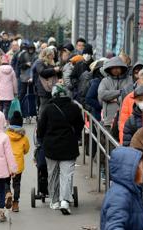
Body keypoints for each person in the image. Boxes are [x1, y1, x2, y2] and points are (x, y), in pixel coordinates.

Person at [37, 83, 84, 215]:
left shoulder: (47, 109)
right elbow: (80, 125)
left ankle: (54, 200)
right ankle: (65, 200)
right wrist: (75, 136)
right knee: (66, 174)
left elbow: (41, 128)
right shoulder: (74, 108)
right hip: (69, 146)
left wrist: (41, 139)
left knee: (53, 174)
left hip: (51, 146)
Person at [100, 146, 143, 230]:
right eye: (140, 168)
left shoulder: (130, 191)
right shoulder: (120, 196)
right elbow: (113, 226)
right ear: (131, 171)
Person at [98, 56, 133, 130]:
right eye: (113, 68)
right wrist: (120, 92)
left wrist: (112, 98)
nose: (115, 70)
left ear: (122, 68)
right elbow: (102, 94)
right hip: (108, 120)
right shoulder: (105, 81)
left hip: (125, 120)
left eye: (117, 67)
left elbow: (130, 95)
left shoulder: (130, 80)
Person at [5, 111, 30, 212]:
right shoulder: (24, 138)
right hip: (18, 165)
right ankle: (15, 204)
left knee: (5, 181)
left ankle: (7, 193)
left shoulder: (5, 135)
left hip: (6, 164)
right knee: (17, 184)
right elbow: (26, 150)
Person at [35, 47, 61, 114]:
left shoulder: (52, 62)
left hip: (52, 87)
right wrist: (54, 70)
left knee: (51, 107)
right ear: (47, 55)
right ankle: (41, 122)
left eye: (53, 55)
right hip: (43, 88)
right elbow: (42, 72)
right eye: (51, 55)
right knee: (43, 106)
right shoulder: (39, 62)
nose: (53, 56)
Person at [0, 54, 18, 120]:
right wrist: (15, 92)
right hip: (9, 92)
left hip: (1, 91)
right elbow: (14, 82)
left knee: (1, 106)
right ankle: (6, 119)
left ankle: (0, 119)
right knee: (7, 107)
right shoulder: (12, 71)